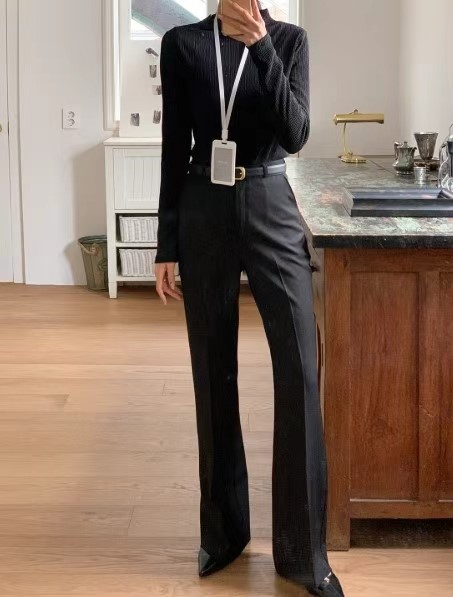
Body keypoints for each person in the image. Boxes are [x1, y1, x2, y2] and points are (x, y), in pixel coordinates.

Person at [153, 0, 345, 595]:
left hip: (269, 204)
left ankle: (304, 555)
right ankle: (223, 534)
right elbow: (174, 146)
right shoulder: (182, 44)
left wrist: (261, 46)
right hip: (202, 210)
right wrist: (166, 243)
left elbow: (296, 134)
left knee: (300, 370)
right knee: (212, 371)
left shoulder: (290, 41)